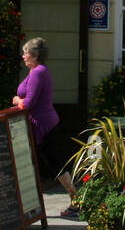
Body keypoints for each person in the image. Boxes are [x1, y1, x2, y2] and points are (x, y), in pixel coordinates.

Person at [13, 37, 78, 218]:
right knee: (50, 165)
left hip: (43, 127)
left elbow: (29, 103)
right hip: (42, 125)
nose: (23, 56)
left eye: (26, 53)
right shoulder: (37, 71)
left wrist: (18, 101)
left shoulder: (37, 73)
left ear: (35, 55)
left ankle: (76, 201)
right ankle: (72, 201)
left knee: (54, 165)